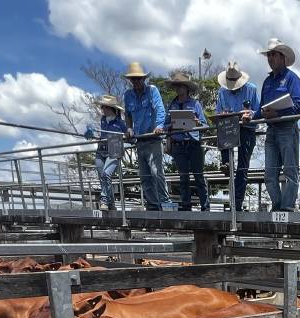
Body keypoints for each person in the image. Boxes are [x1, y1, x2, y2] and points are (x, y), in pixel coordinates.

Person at [256, 38, 300, 213]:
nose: (270, 58)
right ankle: (277, 206)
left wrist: (278, 113)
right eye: (268, 55)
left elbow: (299, 107)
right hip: (272, 130)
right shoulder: (267, 82)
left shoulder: (292, 79)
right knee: (269, 174)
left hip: (287, 128)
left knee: (290, 171)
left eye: (273, 55)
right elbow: (261, 108)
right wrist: (250, 116)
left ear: (283, 57)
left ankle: (287, 207)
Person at [122, 62, 169, 211]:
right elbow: (128, 115)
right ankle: (153, 207)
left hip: (153, 138)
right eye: (133, 79)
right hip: (140, 140)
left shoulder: (152, 90)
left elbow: (160, 108)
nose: (136, 81)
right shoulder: (128, 95)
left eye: (138, 78)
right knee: (144, 177)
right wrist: (129, 128)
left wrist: (159, 125)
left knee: (156, 172)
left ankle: (165, 203)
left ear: (144, 78)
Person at [215, 61, 260, 213]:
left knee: (242, 168)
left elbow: (258, 111)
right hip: (229, 128)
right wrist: (222, 115)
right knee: (222, 129)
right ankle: (226, 162)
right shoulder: (222, 92)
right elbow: (218, 111)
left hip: (247, 128)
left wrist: (250, 114)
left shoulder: (251, 89)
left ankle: (237, 204)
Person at [165, 71, 210, 211]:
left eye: (181, 86)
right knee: (183, 178)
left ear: (187, 88)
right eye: (176, 86)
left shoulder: (195, 104)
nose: (178, 88)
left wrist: (196, 123)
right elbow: (165, 125)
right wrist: (171, 126)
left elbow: (205, 125)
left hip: (194, 144)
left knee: (199, 177)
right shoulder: (171, 105)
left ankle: (205, 206)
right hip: (178, 146)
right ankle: (186, 206)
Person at [84, 95, 128, 213]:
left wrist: (128, 135)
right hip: (101, 149)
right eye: (102, 106)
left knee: (106, 174)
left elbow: (130, 136)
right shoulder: (103, 120)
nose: (102, 108)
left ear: (111, 108)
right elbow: (101, 135)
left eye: (104, 106)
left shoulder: (120, 123)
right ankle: (112, 204)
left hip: (114, 148)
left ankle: (104, 201)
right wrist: (91, 133)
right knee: (103, 178)